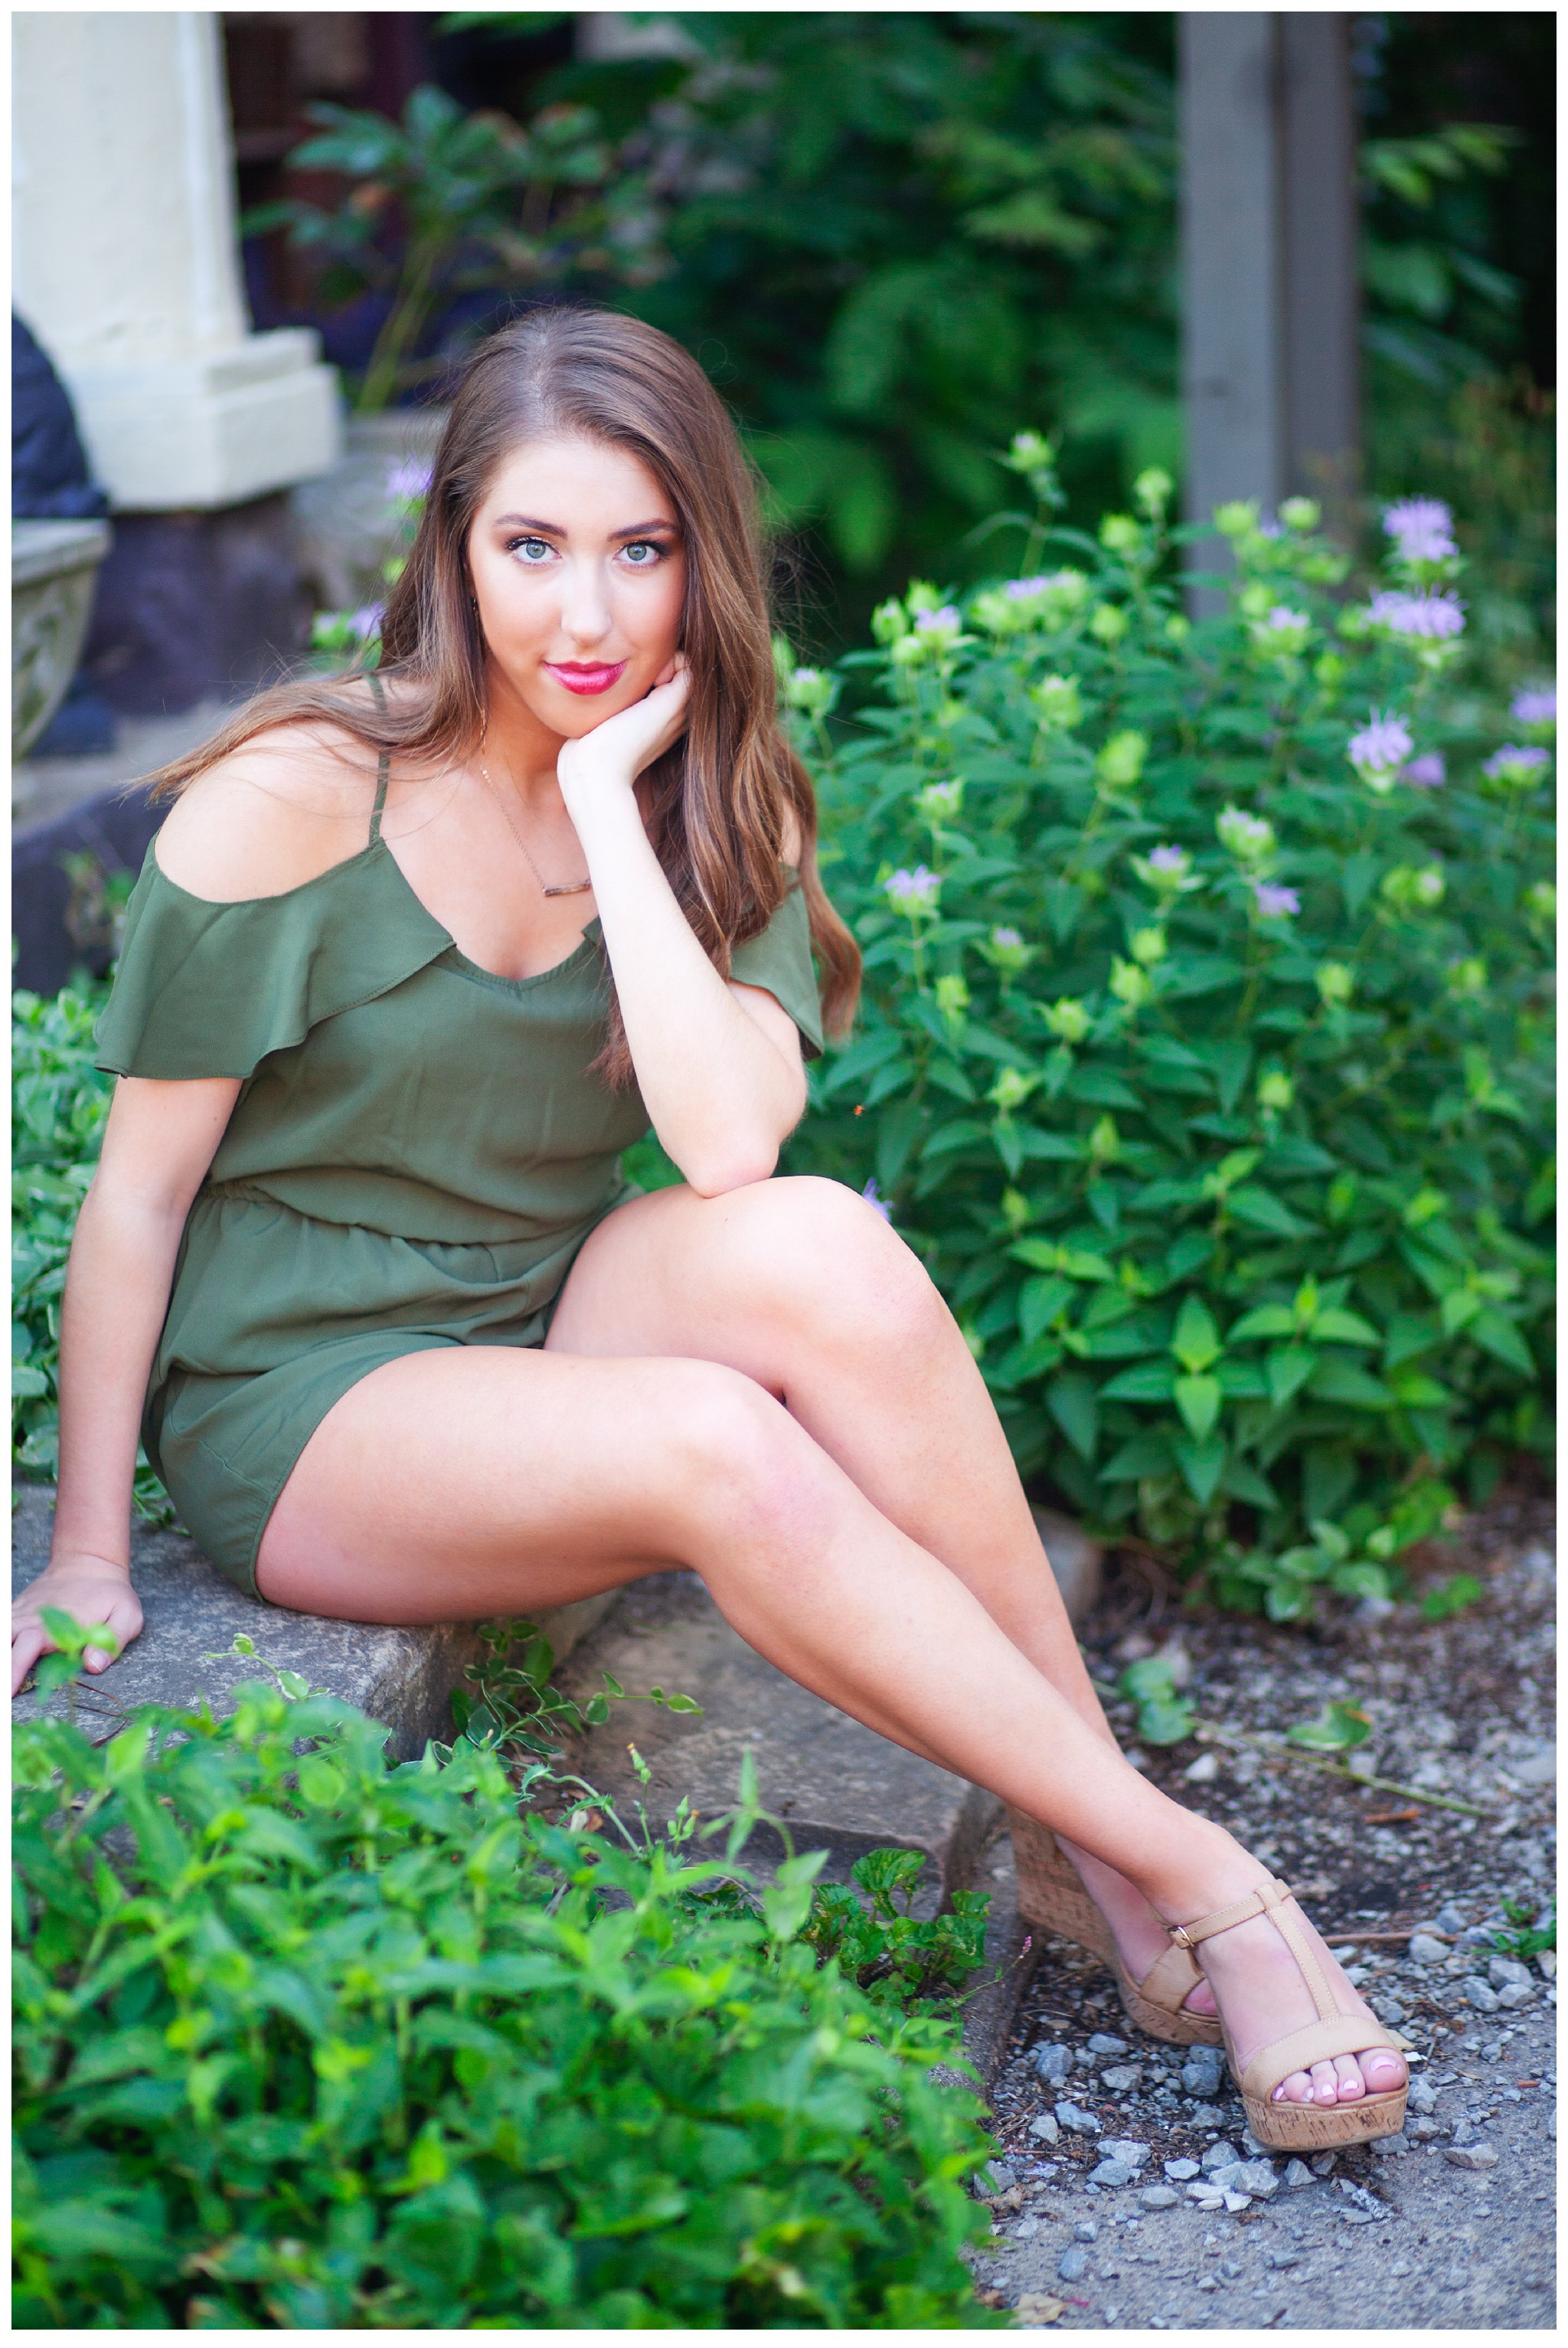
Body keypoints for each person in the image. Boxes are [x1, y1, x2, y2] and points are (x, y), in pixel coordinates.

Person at [11, 309, 1406, 2148]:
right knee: (713, 1440)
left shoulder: (715, 790)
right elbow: (138, 1196)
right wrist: (88, 1554)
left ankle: (1087, 1846)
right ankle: (1204, 1878)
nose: (584, 616)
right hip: (309, 1405)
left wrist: (608, 798)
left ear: (702, 564)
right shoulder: (290, 801)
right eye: (531, 547)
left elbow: (727, 1142)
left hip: (539, 1325)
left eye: (639, 551)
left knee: (824, 1236)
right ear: (451, 552)